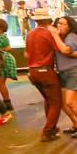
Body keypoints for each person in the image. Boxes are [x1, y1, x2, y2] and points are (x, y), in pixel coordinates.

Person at [25, 8, 64, 142]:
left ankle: (51, 128)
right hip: (46, 71)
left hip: (33, 71)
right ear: (48, 20)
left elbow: (26, 54)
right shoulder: (48, 34)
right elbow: (60, 49)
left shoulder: (30, 34)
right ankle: (47, 131)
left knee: (48, 100)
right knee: (56, 102)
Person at [50, 16, 77, 138]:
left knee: (70, 102)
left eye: (64, 24)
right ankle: (76, 124)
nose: (60, 26)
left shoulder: (71, 36)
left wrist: (55, 35)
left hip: (75, 72)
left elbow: (65, 50)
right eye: (59, 24)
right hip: (64, 73)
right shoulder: (61, 37)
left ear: (70, 27)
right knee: (63, 104)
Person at [0, 18, 16, 123]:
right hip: (2, 60)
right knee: (0, 83)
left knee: (0, 82)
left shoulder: (2, 37)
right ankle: (7, 102)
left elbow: (9, 47)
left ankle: (7, 103)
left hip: (3, 60)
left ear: (1, 27)